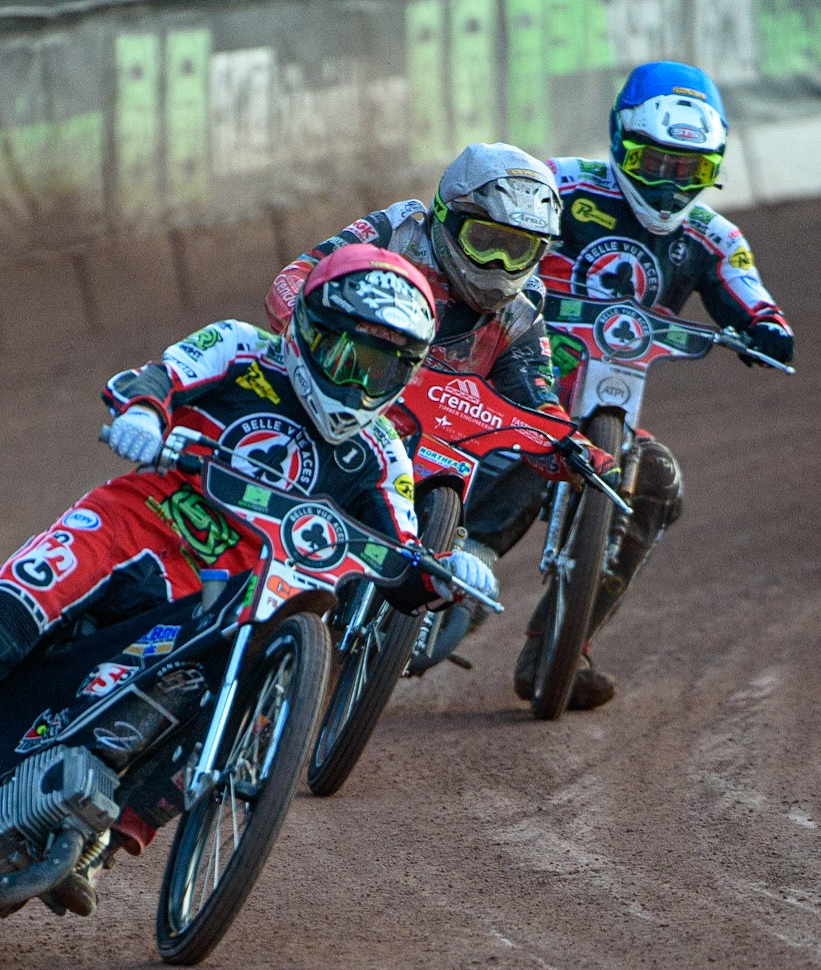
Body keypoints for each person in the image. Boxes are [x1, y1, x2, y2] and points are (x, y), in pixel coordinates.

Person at [0, 244, 495, 885]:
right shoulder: (241, 347)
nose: (359, 383)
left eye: (384, 368)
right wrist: (144, 414)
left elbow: (404, 560)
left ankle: (102, 839)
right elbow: (156, 378)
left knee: (222, 692)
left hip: (214, 596)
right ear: (308, 329)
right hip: (132, 526)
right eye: (348, 356)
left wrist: (448, 575)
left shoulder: (382, 454)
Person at [265, 141, 620, 671]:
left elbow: (539, 401)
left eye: (518, 251)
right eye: (486, 241)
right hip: (343, 389)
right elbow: (294, 281)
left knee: (531, 452)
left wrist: (577, 450)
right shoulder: (397, 231)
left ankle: (454, 565)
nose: (499, 265)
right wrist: (316, 333)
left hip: (433, 434)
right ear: (448, 217)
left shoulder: (523, 313)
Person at [510, 60, 795, 709]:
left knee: (657, 484)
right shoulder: (557, 185)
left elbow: (749, 292)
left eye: (689, 170)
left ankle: (559, 645)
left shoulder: (714, 236)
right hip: (509, 378)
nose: (669, 186)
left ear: (714, 167)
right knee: (487, 453)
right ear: (620, 141)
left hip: (606, 400)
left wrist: (768, 327)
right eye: (656, 162)